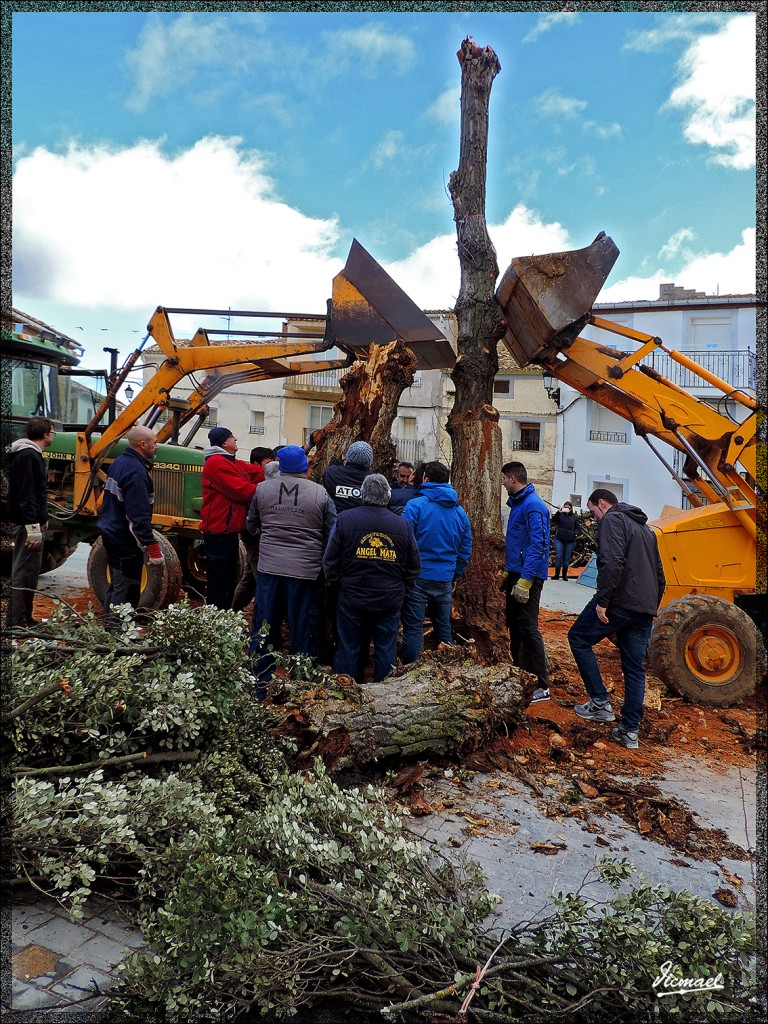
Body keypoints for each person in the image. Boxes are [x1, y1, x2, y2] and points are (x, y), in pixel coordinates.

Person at [568, 489, 666, 750]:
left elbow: (612, 561)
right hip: (643, 608)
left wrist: (603, 600)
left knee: (578, 638)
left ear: (602, 503)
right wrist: (650, 608)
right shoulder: (646, 530)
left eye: (593, 512)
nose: (595, 518)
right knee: (634, 668)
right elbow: (659, 575)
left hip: (620, 601)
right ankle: (630, 731)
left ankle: (600, 702)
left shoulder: (613, 520)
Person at [247, 444, 337, 696]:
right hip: (305, 572)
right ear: (306, 467)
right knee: (303, 629)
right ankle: (301, 686)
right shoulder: (320, 494)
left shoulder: (262, 490)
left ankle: (259, 685)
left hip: (270, 570)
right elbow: (333, 531)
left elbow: (251, 525)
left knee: (264, 627)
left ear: (279, 465)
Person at [322, 474, 421, 683]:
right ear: (388, 496)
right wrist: (403, 588)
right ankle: (383, 694)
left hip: (352, 596)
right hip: (389, 598)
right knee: (386, 649)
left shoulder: (344, 519)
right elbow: (414, 565)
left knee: (349, 646)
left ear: (363, 494)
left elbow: (329, 559)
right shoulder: (402, 525)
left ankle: (345, 691)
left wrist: (336, 584)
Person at [400, 461, 472, 663]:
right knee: (444, 627)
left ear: (425, 479)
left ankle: (411, 670)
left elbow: (403, 541)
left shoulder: (415, 506)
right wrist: (454, 573)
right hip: (444, 578)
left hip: (418, 577)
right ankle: (447, 670)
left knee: (413, 628)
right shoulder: (460, 513)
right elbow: (465, 549)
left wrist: (406, 571)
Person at [97, 425, 165, 629]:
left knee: (116, 585)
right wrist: (153, 549)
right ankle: (118, 635)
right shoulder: (136, 472)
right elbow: (137, 518)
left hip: (110, 533)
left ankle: (108, 630)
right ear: (143, 444)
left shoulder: (120, 462)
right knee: (126, 589)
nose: (157, 446)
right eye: (154, 442)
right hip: (123, 539)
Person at [501, 461, 551, 703]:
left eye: (503, 479)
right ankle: (520, 675)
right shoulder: (520, 503)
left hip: (527, 576)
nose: (502, 483)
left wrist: (526, 579)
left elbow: (538, 544)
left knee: (528, 627)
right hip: (517, 572)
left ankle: (541, 684)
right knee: (516, 625)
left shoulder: (533, 506)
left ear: (512, 479)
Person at [5, 416, 56, 627]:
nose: (53, 435)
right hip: (27, 523)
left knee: (30, 571)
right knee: (23, 570)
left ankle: (24, 617)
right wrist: (32, 524)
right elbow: (27, 493)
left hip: (30, 521)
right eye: (52, 432)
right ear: (45, 434)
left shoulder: (29, 454)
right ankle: (16, 620)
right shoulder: (28, 456)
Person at [200, 426, 257, 610]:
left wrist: (280, 467)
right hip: (218, 533)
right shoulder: (216, 463)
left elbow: (252, 472)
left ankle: (222, 619)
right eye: (233, 437)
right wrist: (271, 490)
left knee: (229, 579)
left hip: (228, 532)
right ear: (225, 442)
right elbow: (244, 492)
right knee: (220, 582)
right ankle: (217, 621)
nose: (236, 439)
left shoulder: (230, 462)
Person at [232, 446, 276, 612]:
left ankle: (232, 611)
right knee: (260, 578)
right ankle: (264, 618)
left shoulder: (264, 481)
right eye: (269, 463)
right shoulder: (256, 485)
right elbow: (252, 518)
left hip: (256, 535)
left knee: (249, 578)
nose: (273, 466)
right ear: (257, 464)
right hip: (254, 537)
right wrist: (258, 533)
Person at [322, 440, 374, 513]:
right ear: (370, 461)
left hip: (335, 520)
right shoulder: (375, 482)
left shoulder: (332, 472)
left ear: (347, 456)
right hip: (363, 522)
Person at [552, 501, 581, 580]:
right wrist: (558, 512)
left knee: (567, 557)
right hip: (559, 538)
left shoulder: (575, 517)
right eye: (565, 507)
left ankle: (564, 575)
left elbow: (578, 527)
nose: (567, 509)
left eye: (568, 508)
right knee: (558, 556)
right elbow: (553, 520)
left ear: (571, 508)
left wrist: (575, 534)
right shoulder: (560, 515)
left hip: (570, 540)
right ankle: (557, 574)